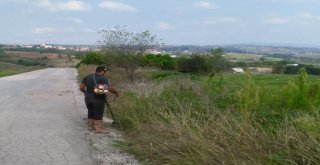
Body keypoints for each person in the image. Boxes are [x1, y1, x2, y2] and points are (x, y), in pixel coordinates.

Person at [79, 66, 119, 133]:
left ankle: (90, 126)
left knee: (90, 111)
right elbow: (109, 88)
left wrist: (86, 93)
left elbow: (81, 87)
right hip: (98, 99)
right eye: (105, 72)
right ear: (102, 71)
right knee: (98, 113)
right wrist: (116, 92)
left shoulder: (88, 76)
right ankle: (99, 129)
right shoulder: (102, 78)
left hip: (87, 98)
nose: (105, 73)